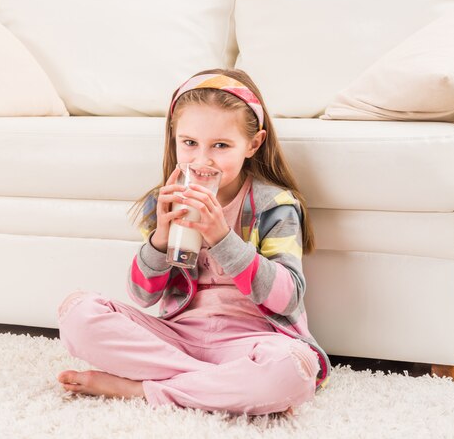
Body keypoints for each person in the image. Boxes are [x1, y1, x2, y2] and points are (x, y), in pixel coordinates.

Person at [57, 69, 331, 416]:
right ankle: (219, 386)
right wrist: (159, 238)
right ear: (174, 139)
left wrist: (221, 236)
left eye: (220, 145)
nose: (202, 160)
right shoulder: (166, 200)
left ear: (254, 143)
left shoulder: (273, 206)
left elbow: (288, 296)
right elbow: (143, 296)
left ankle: (142, 389)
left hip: (250, 343)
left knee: (292, 368)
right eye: (189, 143)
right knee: (77, 313)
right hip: (178, 337)